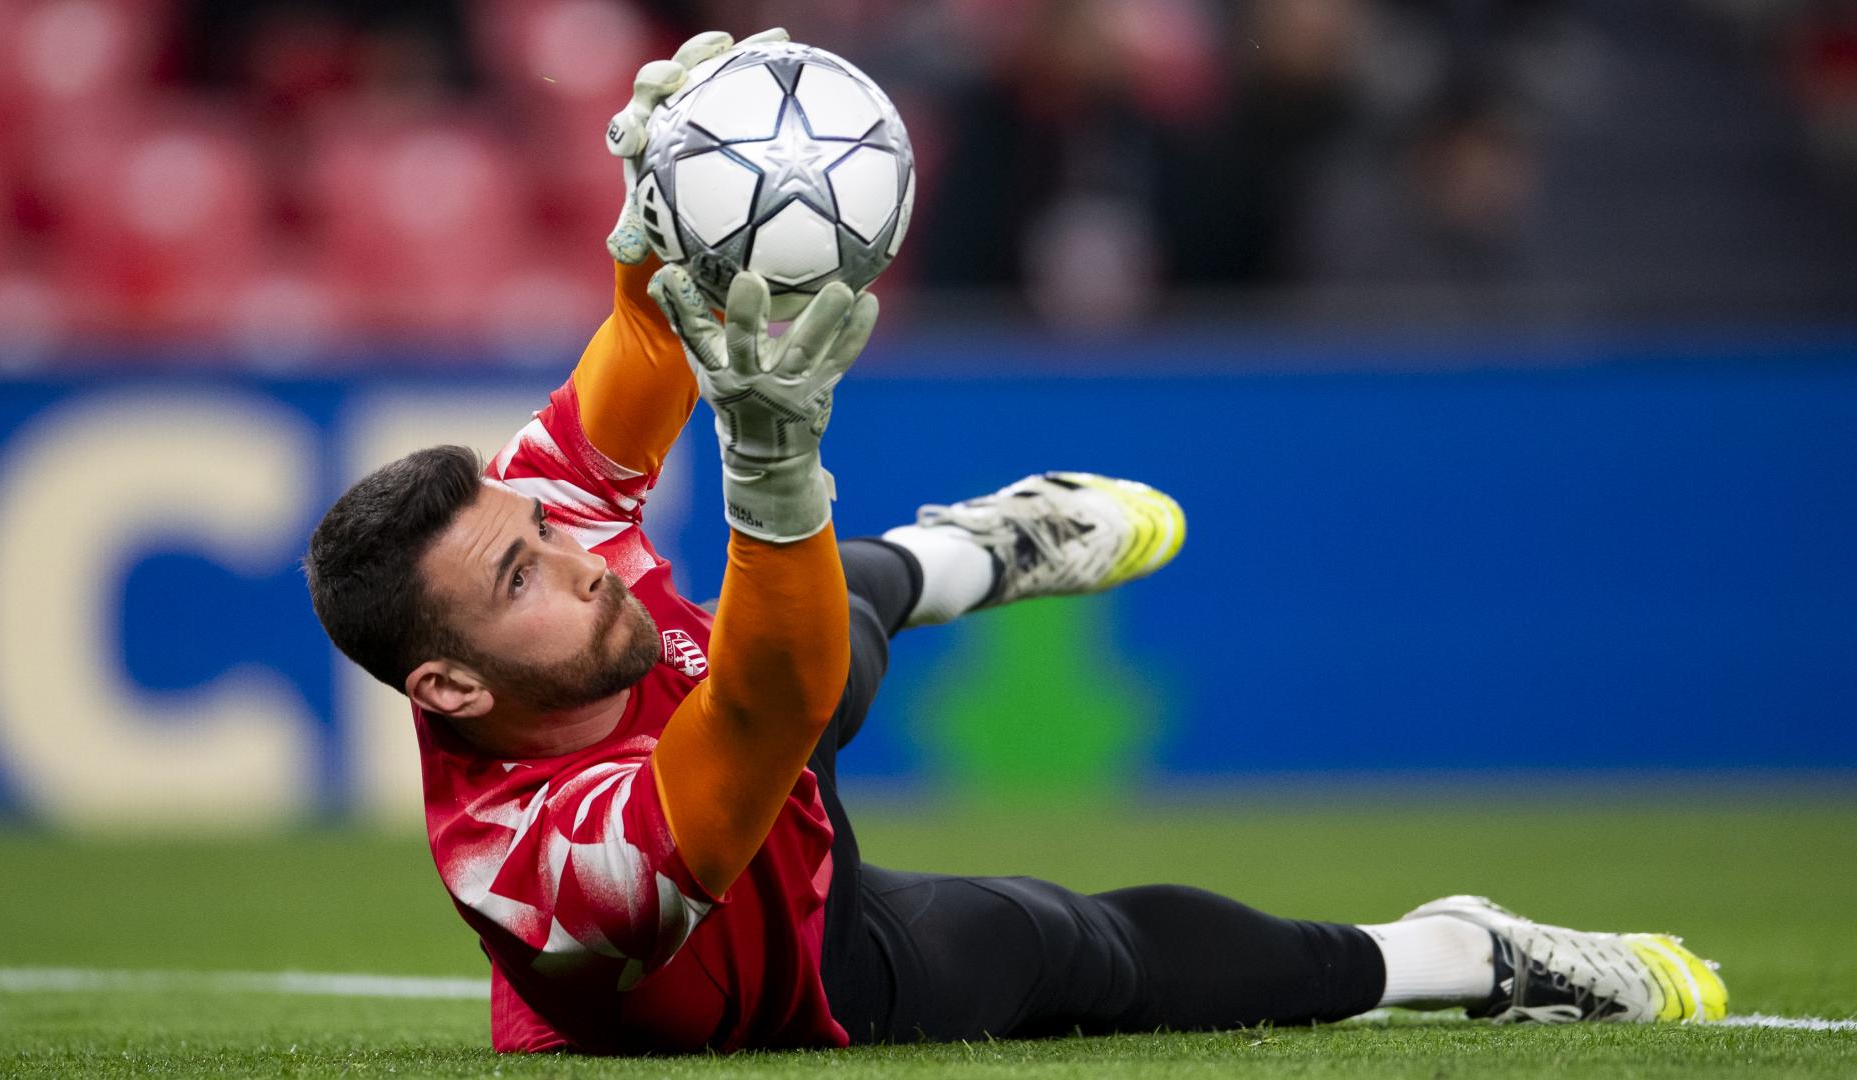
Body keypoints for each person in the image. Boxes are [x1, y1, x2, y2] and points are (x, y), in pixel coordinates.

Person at [302, 29, 1727, 1056]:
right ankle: (1465, 952)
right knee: (1077, 946)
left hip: (737, 710)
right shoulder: (552, 865)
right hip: (795, 965)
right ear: (451, 689)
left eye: (541, 530)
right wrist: (776, 469)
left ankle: (980, 549)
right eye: (522, 576)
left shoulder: (534, 532)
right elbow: (766, 708)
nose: (574, 551)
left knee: (827, 614)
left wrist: (663, 218)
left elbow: (648, 329)